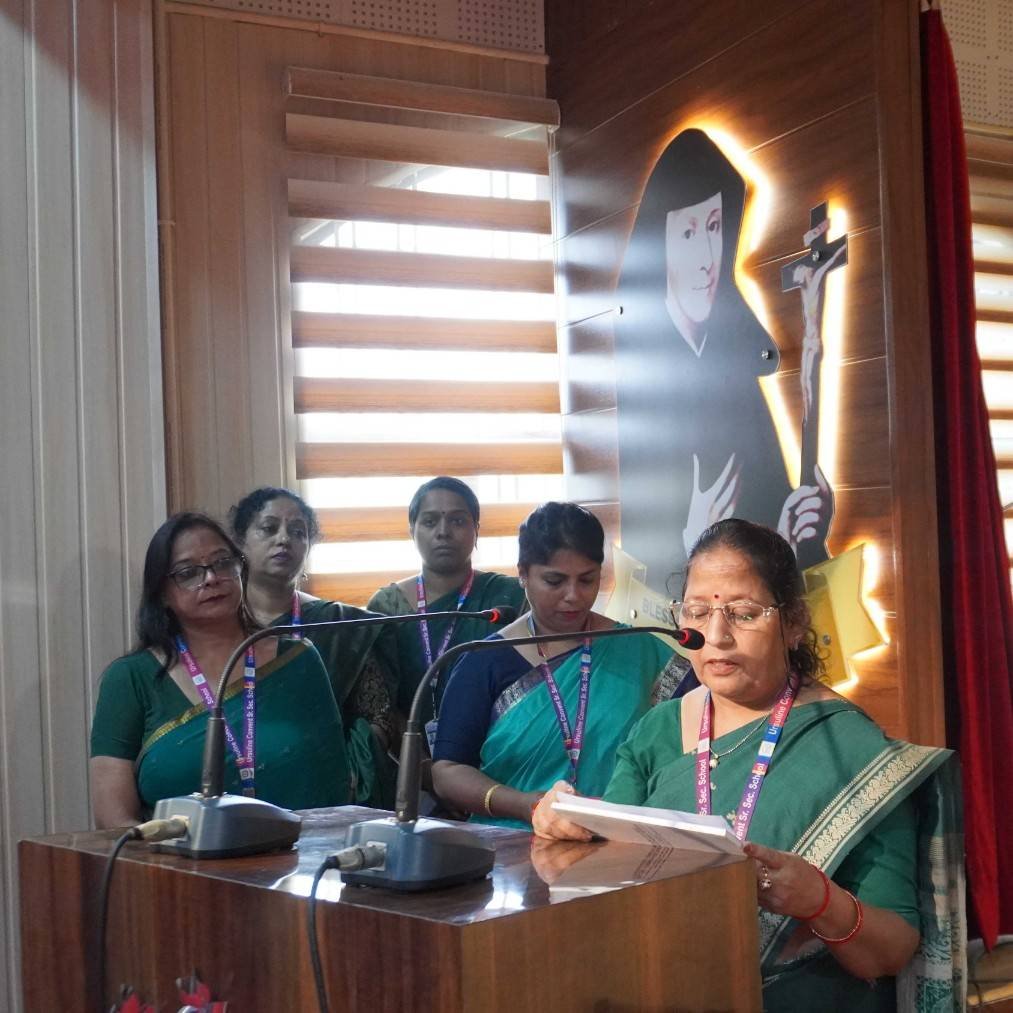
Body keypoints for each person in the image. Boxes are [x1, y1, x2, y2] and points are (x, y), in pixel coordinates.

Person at [532, 518, 963, 1011]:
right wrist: (568, 825)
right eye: (697, 611)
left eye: (743, 613)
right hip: (666, 990)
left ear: (794, 623)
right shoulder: (657, 730)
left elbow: (892, 951)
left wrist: (821, 901)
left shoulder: (854, 750)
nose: (716, 636)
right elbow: (614, 877)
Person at [614, 128, 832, 590]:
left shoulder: (734, 367)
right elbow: (643, 558)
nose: (706, 258)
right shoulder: (643, 381)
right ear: (659, 241)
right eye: (688, 232)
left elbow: (769, 511)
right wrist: (690, 541)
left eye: (714, 227)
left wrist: (792, 532)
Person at [89, 512, 352, 827]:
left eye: (223, 562)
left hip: (299, 850)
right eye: (188, 572)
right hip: (176, 856)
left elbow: (334, 784)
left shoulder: (297, 660)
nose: (212, 578)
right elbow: (113, 815)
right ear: (162, 593)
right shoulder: (130, 678)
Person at [431, 502, 681, 829]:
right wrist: (526, 805)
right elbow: (447, 772)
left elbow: (693, 736)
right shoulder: (483, 662)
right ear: (523, 574)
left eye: (587, 580)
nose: (573, 595)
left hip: (622, 841)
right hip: (512, 844)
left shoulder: (639, 649)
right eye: (554, 581)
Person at [229, 486, 398, 807]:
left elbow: (377, 722)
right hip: (233, 780)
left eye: (298, 532)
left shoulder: (342, 625)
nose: (284, 539)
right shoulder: (217, 627)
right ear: (240, 541)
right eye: (269, 528)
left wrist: (337, 775)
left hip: (325, 792)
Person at [367, 476, 527, 726]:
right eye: (430, 522)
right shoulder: (388, 606)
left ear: (476, 530)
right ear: (412, 531)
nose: (443, 532)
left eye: (457, 521)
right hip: (407, 744)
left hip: (497, 740)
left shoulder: (510, 597)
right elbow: (380, 702)